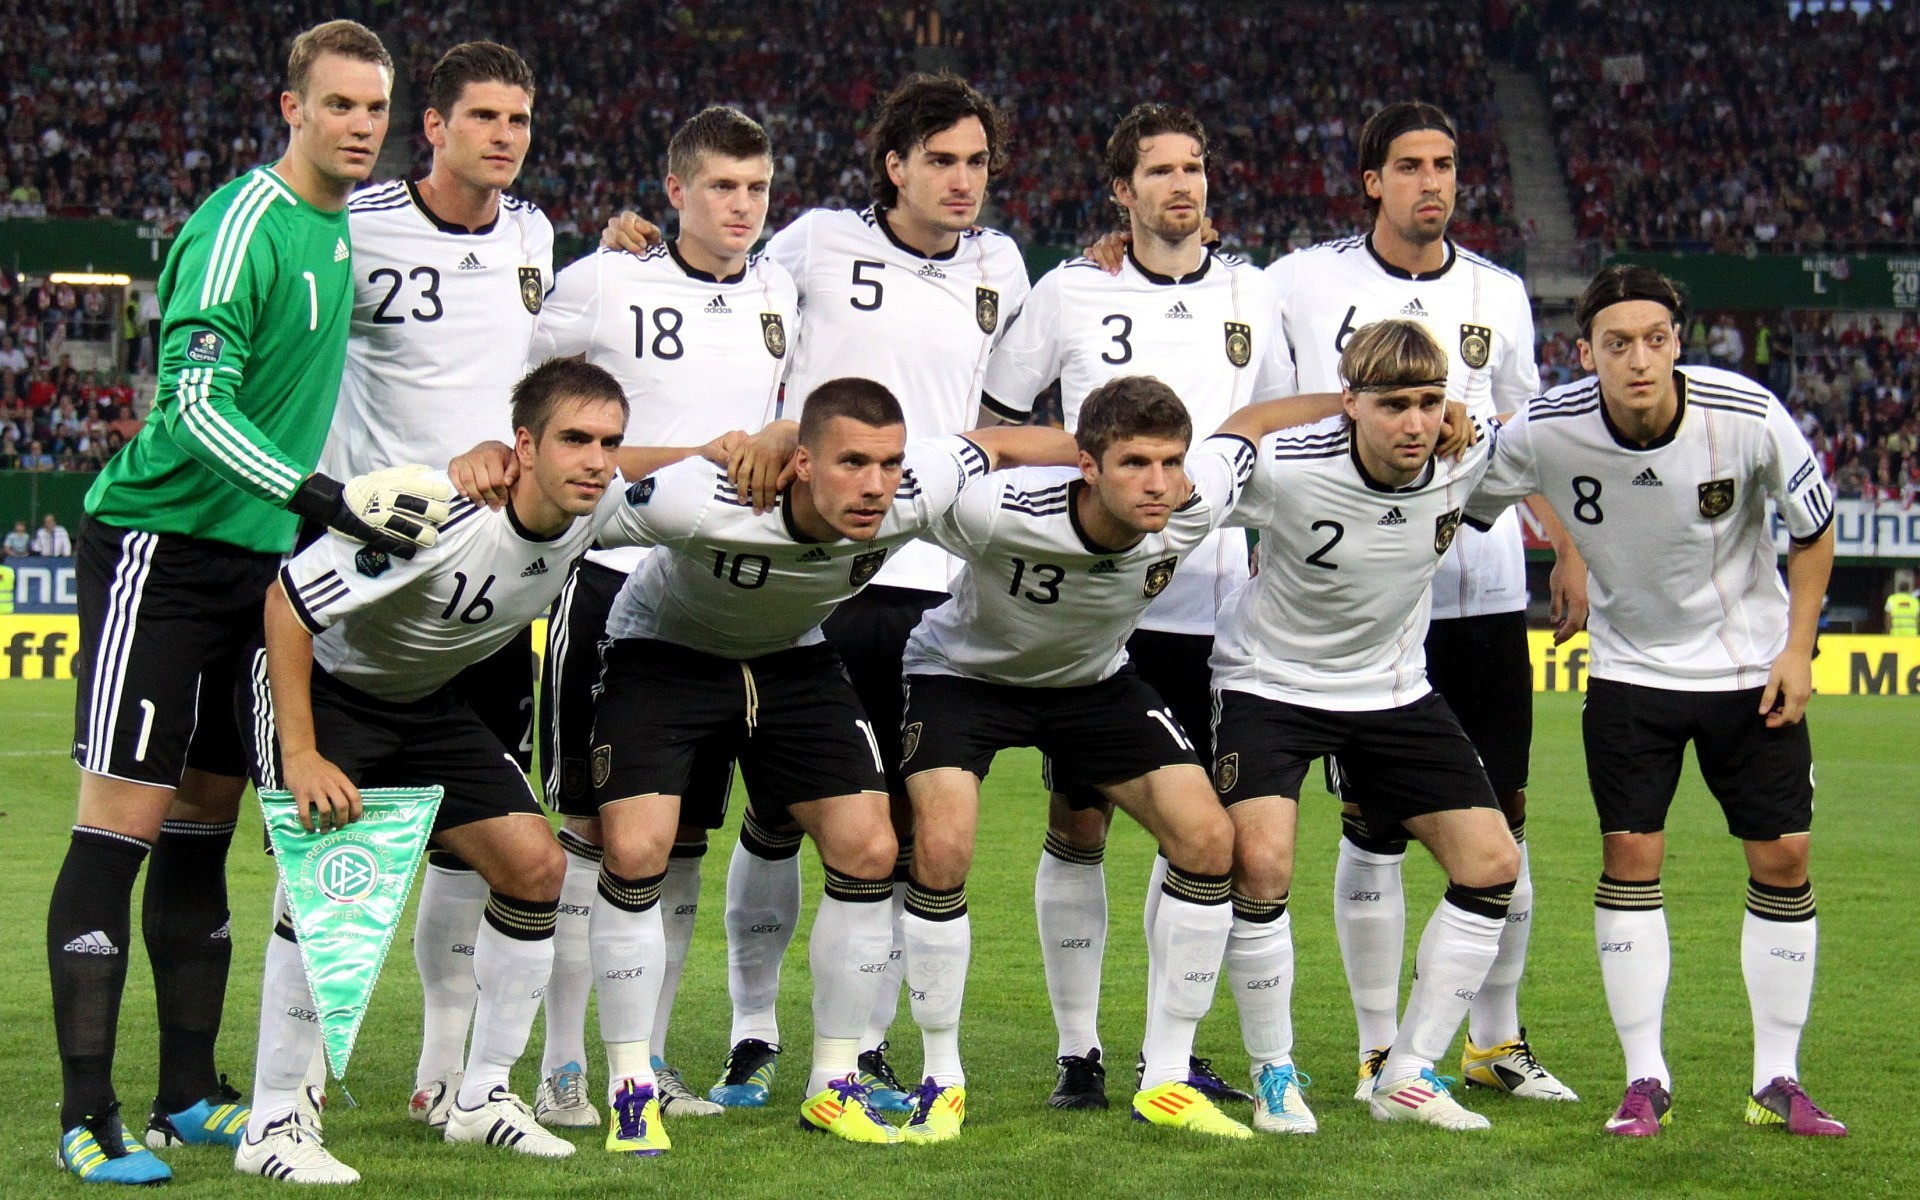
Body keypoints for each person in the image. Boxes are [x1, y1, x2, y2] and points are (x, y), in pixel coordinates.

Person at [44, 22, 440, 1187]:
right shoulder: (240, 228)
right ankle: (85, 1115)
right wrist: (323, 495)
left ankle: (185, 1094)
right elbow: (192, 412)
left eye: (375, 106)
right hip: (161, 551)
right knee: (118, 823)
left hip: (252, 562)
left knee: (204, 830)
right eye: (340, 105)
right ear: (291, 107)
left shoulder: (342, 230)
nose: (361, 123)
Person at [606, 73, 1032, 1111]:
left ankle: (865, 1047)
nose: (963, 179)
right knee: (769, 818)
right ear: (894, 166)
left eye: (977, 161)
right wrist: (636, 244)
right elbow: (718, 270)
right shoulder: (815, 241)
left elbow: (1002, 412)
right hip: (801, 565)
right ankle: (751, 1033)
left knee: (876, 823)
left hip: (926, 573)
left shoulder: (1006, 266)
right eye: (941, 159)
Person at [239, 358, 740, 1182]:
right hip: (328, 692)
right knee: (328, 886)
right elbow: (287, 606)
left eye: (608, 441)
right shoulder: (436, 512)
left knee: (535, 867)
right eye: (574, 439)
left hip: (427, 705)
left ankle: (480, 1099)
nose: (596, 459)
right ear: (522, 446)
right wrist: (301, 754)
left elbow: (645, 470)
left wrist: (731, 444)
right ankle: (273, 1124)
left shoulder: (596, 505)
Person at [578, 377, 1075, 1151]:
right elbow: (579, 492)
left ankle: (833, 1083)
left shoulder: (911, 492)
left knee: (871, 847)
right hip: (663, 653)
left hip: (791, 660)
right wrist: (702, 446)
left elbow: (1010, 442)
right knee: (639, 849)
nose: (875, 484)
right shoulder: (703, 497)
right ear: (801, 463)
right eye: (852, 462)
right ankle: (630, 1086)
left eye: (888, 462)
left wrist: (1100, 457)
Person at [896, 375, 1369, 1142]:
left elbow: (1249, 422)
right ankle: (941, 1077)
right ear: (1087, 468)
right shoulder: (994, 511)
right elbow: (937, 463)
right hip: (964, 678)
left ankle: (1168, 1075)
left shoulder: (1190, 505)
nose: (1159, 483)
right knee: (943, 846)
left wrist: (1357, 400)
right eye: (1135, 464)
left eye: (1171, 462)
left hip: (1091, 684)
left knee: (1209, 841)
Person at [1463, 265, 1844, 1139]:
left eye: (1656, 340)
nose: (1639, 359)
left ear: (1679, 340)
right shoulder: (1549, 427)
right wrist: (1543, 528)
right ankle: (1645, 1080)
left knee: (1784, 857)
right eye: (1617, 343)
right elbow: (1467, 494)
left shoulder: (1745, 414)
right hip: (1632, 673)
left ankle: (1778, 1079)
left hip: (1750, 669)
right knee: (1631, 857)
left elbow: (1814, 528)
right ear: (1586, 351)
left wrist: (1797, 649)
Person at [1262, 100, 1581, 1104]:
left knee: (1505, 822)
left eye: (1445, 164)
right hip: (1356, 601)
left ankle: (1495, 1038)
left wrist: (1562, 544)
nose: (1431, 183)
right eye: (1409, 165)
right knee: (1372, 825)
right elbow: (1266, 414)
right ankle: (1375, 1046)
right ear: (1371, 180)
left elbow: (1526, 436)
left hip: (1479, 590)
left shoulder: (1500, 290)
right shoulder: (1303, 284)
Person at [981, 101, 1286, 1112]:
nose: (1183, 186)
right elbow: (999, 416)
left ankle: (1171, 1051)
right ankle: (1079, 1051)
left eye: (1194, 167)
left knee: (1194, 834)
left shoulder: (1250, 290)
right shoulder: (1069, 290)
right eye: (1160, 171)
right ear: (1122, 191)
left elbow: (1268, 430)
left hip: (1216, 606)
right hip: (1099, 607)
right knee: (1079, 826)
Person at [523, 105, 797, 1126]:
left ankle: (646, 1061)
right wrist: (693, 456)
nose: (742, 206)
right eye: (722, 187)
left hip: (720, 601)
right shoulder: (604, 280)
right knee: (590, 841)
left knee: (680, 846)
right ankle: (561, 1069)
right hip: (607, 584)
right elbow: (530, 412)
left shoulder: (781, 290)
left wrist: (763, 435)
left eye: (758, 188)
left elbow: (789, 410)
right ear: (674, 191)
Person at [309, 39, 556, 1134]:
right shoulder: (356, 230)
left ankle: (447, 1071)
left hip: (493, 598)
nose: (504, 136)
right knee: (346, 858)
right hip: (370, 589)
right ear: (435, 128)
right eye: (485, 117)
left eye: (520, 119)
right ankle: (291, 1093)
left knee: (481, 840)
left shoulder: (537, 237)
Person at [1210, 318, 1518, 1133]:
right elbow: (1227, 441)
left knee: (1493, 864)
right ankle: (1275, 1074)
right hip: (1269, 683)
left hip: (1391, 689)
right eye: (1392, 406)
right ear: (1350, 404)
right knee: (1263, 865)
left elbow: (1534, 441)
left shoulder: (1467, 455)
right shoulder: (1286, 468)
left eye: (1428, 403)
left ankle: (1408, 1073)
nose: (1416, 424)